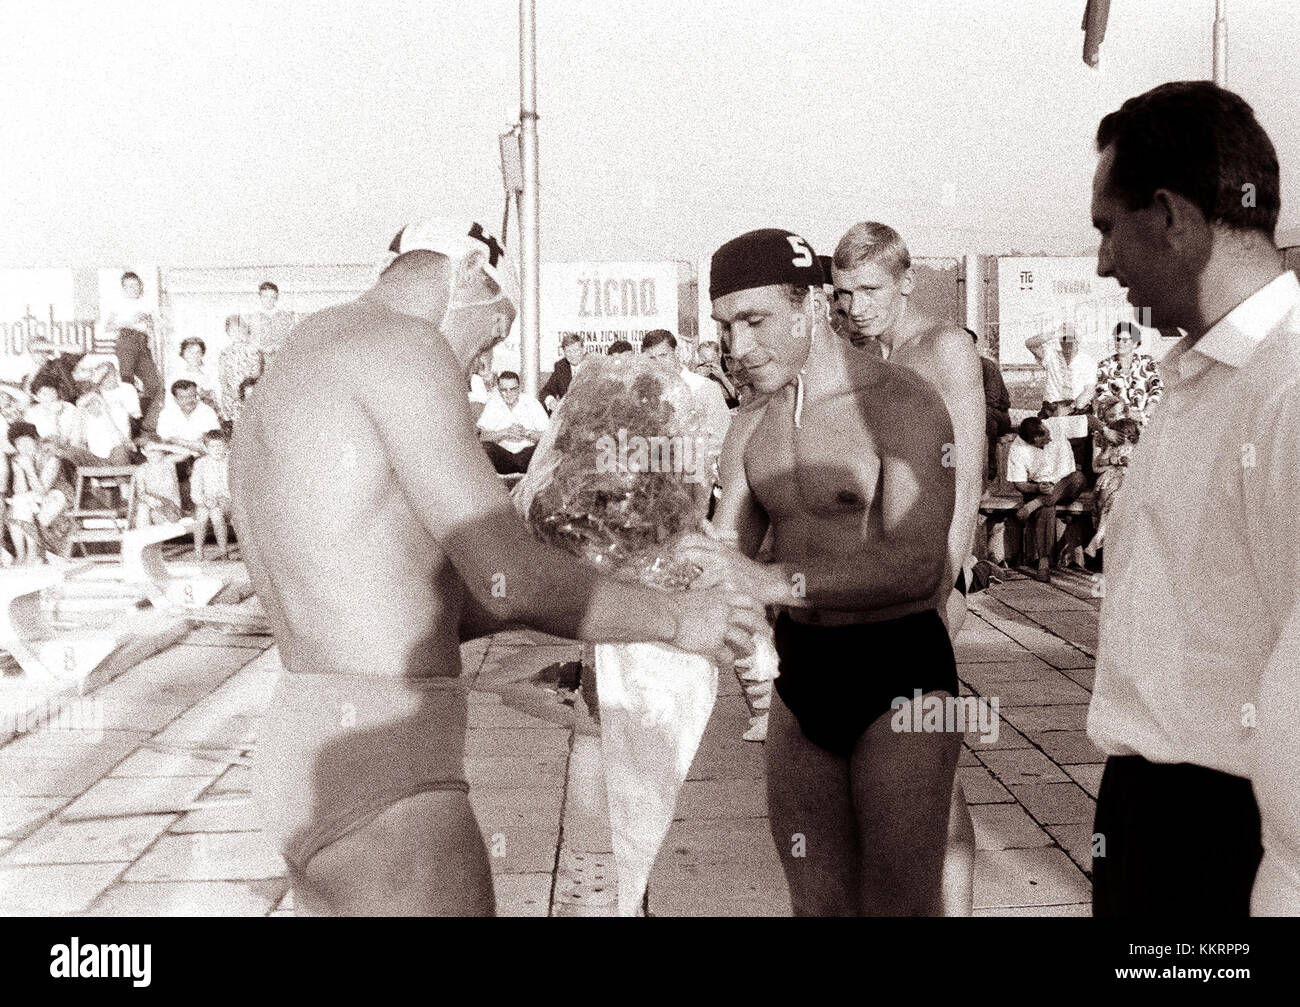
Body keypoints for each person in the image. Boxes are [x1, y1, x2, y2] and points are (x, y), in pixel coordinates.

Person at [230, 216, 764, 917]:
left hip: (302, 744)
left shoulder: (304, 355)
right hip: (391, 770)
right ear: (470, 281)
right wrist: (679, 619)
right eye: (493, 332)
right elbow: (508, 579)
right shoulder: (405, 348)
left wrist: (612, 573)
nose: (486, 360)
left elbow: (429, 608)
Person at [685, 228, 959, 916]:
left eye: (756, 321)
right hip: (804, 674)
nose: (737, 347)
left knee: (900, 909)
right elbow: (722, 560)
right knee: (818, 908)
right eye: (725, 326)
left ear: (809, 306)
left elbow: (918, 564)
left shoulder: (902, 404)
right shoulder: (750, 427)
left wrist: (770, 581)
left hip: (899, 671)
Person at [1085, 81, 1300, 917]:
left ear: (1170, 215)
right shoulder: (1202, 375)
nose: (1103, 262)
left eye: (1108, 227)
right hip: (1155, 819)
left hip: (1236, 841)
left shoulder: (1285, 389)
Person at [830, 221, 985, 913]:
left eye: (870, 289)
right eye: (844, 293)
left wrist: (938, 588)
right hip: (872, 588)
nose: (857, 305)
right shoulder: (867, 357)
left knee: (932, 773)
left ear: (906, 280)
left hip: (922, 588)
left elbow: (967, 479)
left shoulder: (943, 347)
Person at [1006, 416, 1084, 582]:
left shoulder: (1056, 424)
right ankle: (1044, 562)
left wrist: (1107, 431)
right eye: (1044, 440)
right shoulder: (1018, 449)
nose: (1049, 439)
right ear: (1032, 442)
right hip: (1041, 487)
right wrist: (1036, 488)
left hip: (1067, 484)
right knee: (1047, 509)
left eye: (1048, 434)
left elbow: (1089, 420)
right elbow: (1019, 483)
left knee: (1078, 477)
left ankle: (1037, 503)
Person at [641, 329, 732, 460]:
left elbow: (722, 437)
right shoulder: (646, 393)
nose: (658, 363)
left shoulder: (704, 387)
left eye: (663, 355)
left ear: (676, 352)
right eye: (652, 358)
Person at [104, 271, 164, 433]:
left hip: (143, 342)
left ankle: (140, 421)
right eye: (129, 286)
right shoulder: (118, 303)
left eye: (136, 285)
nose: (133, 288)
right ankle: (128, 425)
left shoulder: (147, 302)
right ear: (123, 288)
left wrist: (149, 320)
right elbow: (108, 327)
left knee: (154, 384)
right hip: (127, 340)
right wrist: (131, 321)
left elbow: (156, 325)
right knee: (126, 382)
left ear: (140, 286)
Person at [6, 420, 73, 563]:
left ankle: (33, 553)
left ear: (35, 440)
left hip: (58, 495)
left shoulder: (51, 458)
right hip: (35, 498)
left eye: (26, 441)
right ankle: (22, 554)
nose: (23, 446)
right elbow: (20, 491)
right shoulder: (19, 459)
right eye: (18, 444)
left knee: (22, 505)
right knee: (18, 506)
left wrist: (29, 470)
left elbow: (43, 490)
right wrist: (19, 471)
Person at [1084, 410, 1139, 557]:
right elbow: (1097, 464)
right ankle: (1100, 538)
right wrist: (1116, 461)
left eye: (1128, 435)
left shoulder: (1136, 449)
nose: (1124, 439)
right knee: (1115, 501)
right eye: (1121, 435)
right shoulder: (1111, 448)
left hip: (1126, 486)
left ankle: (1098, 538)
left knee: (1117, 501)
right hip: (1110, 485)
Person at [476, 370, 549, 474]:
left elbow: (548, 436)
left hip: (527, 456)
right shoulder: (493, 404)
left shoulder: (532, 403)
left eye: (513, 389)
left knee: (543, 449)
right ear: (499, 389)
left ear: (519, 388)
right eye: (504, 390)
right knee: (484, 448)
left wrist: (526, 433)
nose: (508, 393)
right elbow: (482, 437)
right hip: (503, 457)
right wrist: (505, 432)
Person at [1093, 321, 1164, 426]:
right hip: (1115, 423)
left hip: (1144, 421)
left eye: (1125, 340)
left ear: (1135, 343)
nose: (1120, 342)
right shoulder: (1105, 365)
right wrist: (1128, 413)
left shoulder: (1147, 362)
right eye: (1117, 339)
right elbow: (1104, 396)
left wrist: (1145, 414)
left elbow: (1157, 390)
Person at [1025, 323, 1096, 415]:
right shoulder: (1051, 355)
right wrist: (1054, 334)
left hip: (1077, 407)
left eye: (1071, 339)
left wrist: (1070, 408)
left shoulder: (1087, 360)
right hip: (1052, 407)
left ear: (1077, 341)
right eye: (1063, 339)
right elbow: (1030, 344)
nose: (1067, 343)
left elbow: (1089, 391)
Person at [972, 327, 1011, 479]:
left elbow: (992, 399)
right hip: (974, 415)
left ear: (974, 346)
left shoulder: (986, 366)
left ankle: (990, 464)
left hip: (998, 416)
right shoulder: (955, 368)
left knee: (986, 415)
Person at [190, 430, 232, 560]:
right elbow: (195, 490)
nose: (217, 449)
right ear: (206, 448)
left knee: (215, 512)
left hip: (228, 503)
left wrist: (225, 498)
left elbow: (236, 486)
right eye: (213, 446)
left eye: (220, 446)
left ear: (226, 446)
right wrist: (204, 500)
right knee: (203, 513)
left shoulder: (230, 462)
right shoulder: (200, 464)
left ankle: (223, 552)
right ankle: (198, 552)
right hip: (207, 502)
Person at [218, 315, 264, 424]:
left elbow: (257, 374)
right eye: (233, 330)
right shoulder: (225, 353)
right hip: (230, 397)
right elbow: (222, 377)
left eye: (240, 329)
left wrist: (245, 392)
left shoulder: (254, 351)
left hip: (248, 395)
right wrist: (230, 392)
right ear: (228, 332)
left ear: (246, 330)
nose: (237, 333)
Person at [249, 281, 295, 364]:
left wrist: (278, 347)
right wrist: (262, 348)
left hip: (281, 358)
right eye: (265, 297)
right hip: (260, 360)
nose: (269, 300)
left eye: (272, 297)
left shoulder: (285, 317)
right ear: (260, 297)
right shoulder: (253, 318)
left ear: (276, 297)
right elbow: (251, 340)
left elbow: (290, 337)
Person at [540, 332, 584, 413]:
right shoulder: (561, 367)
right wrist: (551, 402)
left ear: (583, 349)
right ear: (564, 352)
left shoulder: (593, 365)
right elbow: (546, 391)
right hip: (568, 416)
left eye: (576, 350)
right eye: (568, 351)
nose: (572, 355)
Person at [692, 340, 739, 408]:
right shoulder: (699, 370)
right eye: (703, 359)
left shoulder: (731, 369)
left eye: (712, 358)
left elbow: (738, 397)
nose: (705, 362)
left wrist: (722, 377)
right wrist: (698, 379)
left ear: (718, 355)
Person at [177, 337, 221, 411]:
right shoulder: (179, 375)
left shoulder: (211, 372)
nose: (194, 356)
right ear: (183, 354)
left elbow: (218, 395)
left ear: (202, 354)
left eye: (198, 352)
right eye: (190, 352)